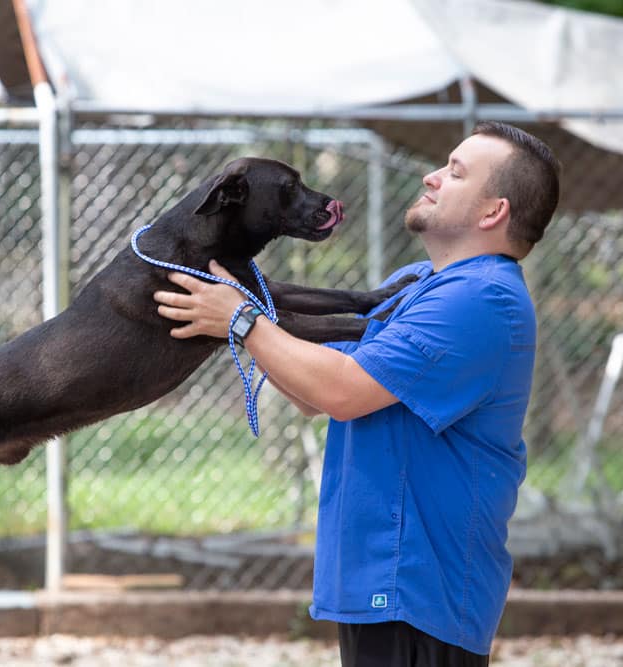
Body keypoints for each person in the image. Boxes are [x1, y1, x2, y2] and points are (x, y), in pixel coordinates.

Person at [153, 121, 561, 666]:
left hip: (419, 587)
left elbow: (341, 392)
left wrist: (241, 319)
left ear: (493, 213)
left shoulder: (481, 300)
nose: (432, 176)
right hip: (379, 582)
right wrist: (244, 312)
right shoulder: (421, 283)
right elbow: (313, 392)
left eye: (456, 172)